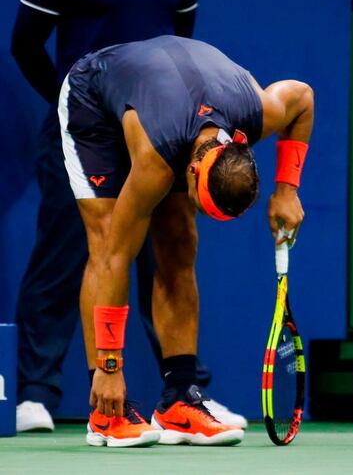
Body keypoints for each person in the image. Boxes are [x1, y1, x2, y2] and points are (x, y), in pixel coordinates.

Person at [11, 0, 246, 430]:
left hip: (161, 129)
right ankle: (36, 392)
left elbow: (179, 41)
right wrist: (71, 108)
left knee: (170, 253)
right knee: (72, 253)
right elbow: (25, 42)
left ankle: (184, 392)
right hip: (84, 124)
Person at [60, 35, 312, 446]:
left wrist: (286, 189)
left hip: (173, 98)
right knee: (109, 240)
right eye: (200, 200)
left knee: (180, 239)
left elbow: (302, 98)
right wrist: (110, 366)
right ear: (191, 172)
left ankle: (180, 400)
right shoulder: (158, 163)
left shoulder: (257, 113)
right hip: (95, 96)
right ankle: (105, 412)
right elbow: (113, 261)